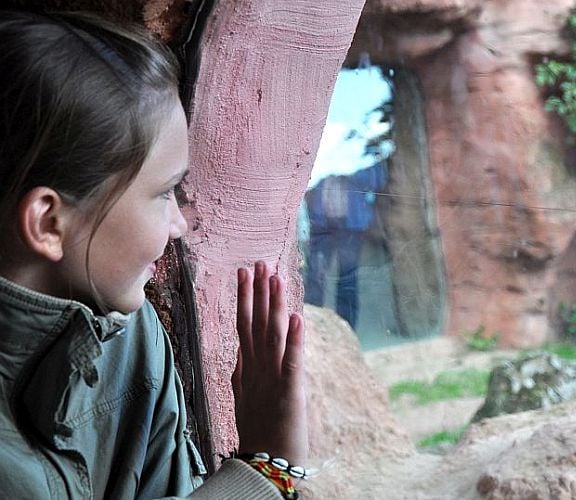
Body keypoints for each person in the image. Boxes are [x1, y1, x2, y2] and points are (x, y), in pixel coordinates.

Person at [0, 9, 308, 499]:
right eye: (165, 193)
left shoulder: (130, 334)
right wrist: (266, 469)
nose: (180, 224)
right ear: (49, 223)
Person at [304, 160, 387, 327]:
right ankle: (310, 329)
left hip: (351, 225)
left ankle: (346, 330)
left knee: (348, 280)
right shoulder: (328, 146)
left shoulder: (357, 149)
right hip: (321, 224)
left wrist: (348, 165)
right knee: (315, 277)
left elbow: (377, 180)